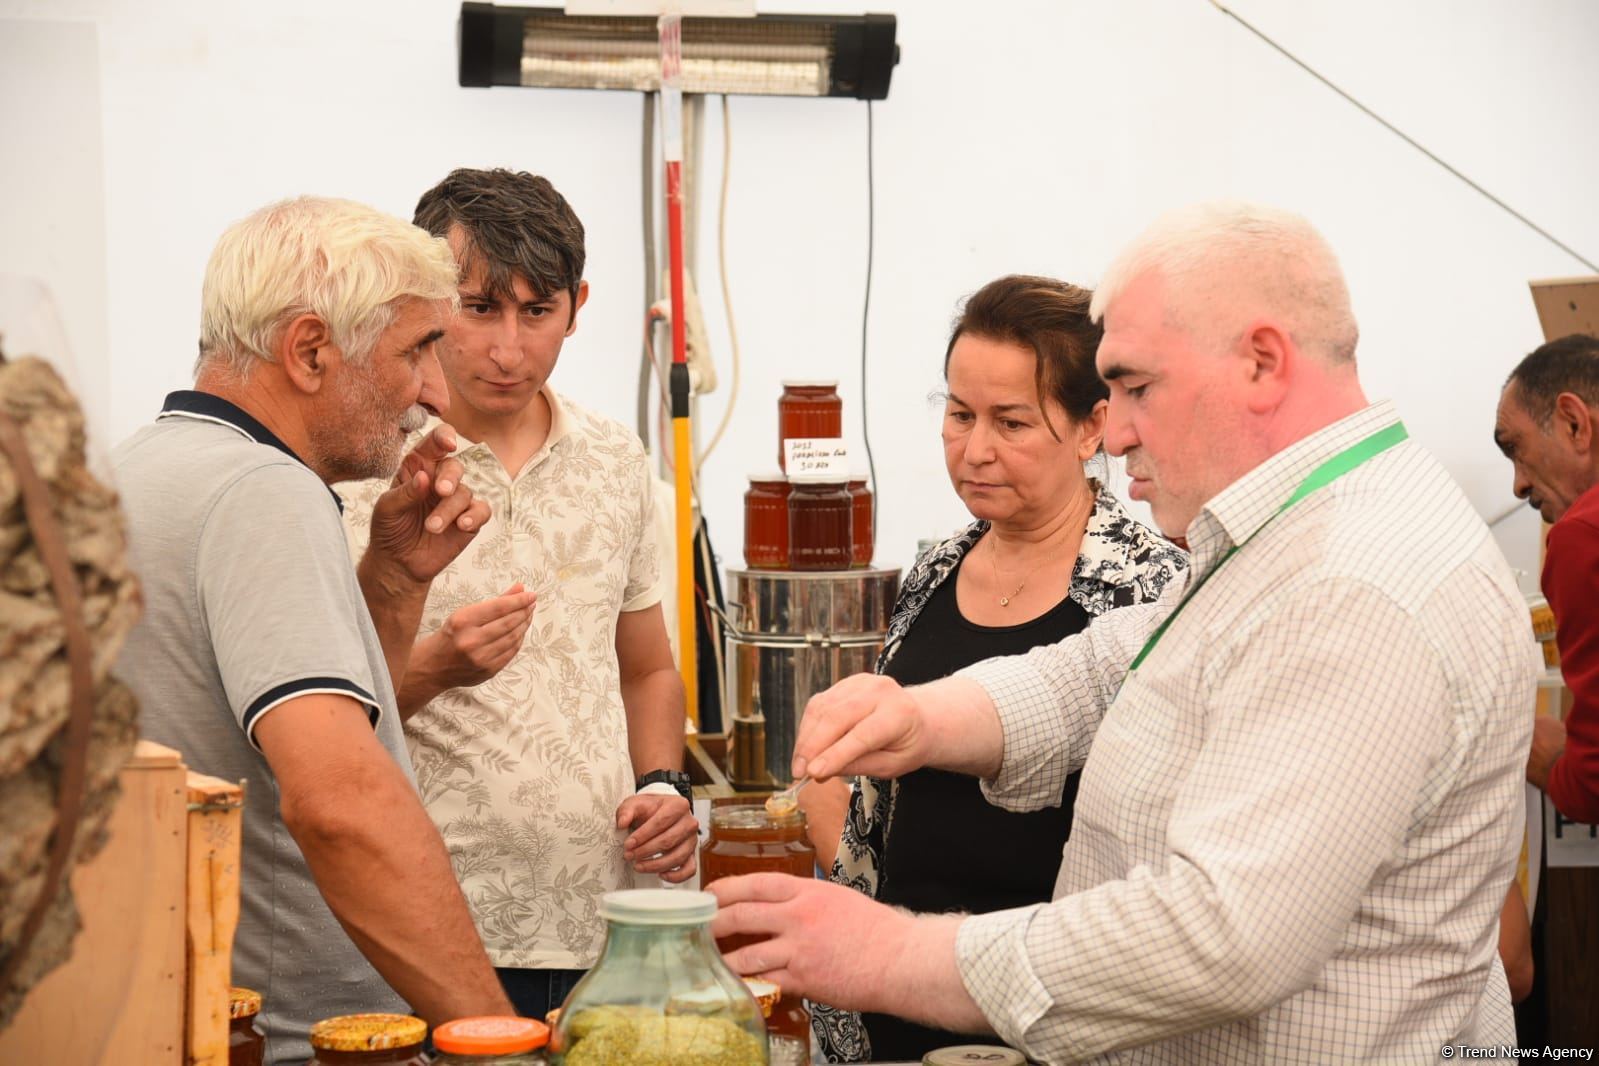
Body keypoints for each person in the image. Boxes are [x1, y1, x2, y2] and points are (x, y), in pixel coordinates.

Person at [709, 201, 1539, 1063]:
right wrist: (923, 718)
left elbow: (1221, 935)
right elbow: (1114, 664)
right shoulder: (1293, 530)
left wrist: (890, 952)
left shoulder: (1354, 582)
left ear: (1262, 361)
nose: (1122, 430)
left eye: (1136, 388)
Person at [112, 197, 513, 1064]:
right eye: (416, 350)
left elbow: (246, 732)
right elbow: (338, 802)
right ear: (308, 349)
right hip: (304, 1040)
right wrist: (496, 1036)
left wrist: (397, 581)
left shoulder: (127, 471)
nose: (436, 394)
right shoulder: (263, 493)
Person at [340, 168, 697, 1020]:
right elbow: (321, 723)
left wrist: (664, 787)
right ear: (425, 302)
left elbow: (646, 669)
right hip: (413, 923)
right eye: (477, 308)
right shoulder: (363, 468)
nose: (509, 349)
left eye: (537, 312)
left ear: (577, 305)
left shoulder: (615, 461)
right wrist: (432, 668)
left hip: (601, 926)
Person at [810, 275, 1186, 1062]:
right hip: (892, 992)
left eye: (1010, 422)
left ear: (1092, 428)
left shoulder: (1150, 589)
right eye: (958, 415)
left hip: (1045, 1007)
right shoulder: (937, 567)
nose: (974, 449)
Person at [1494, 332, 1599, 825]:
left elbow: (1594, 786)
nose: (1518, 484)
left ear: (1575, 423)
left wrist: (1554, 763)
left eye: (1516, 449)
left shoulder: (1584, 536)